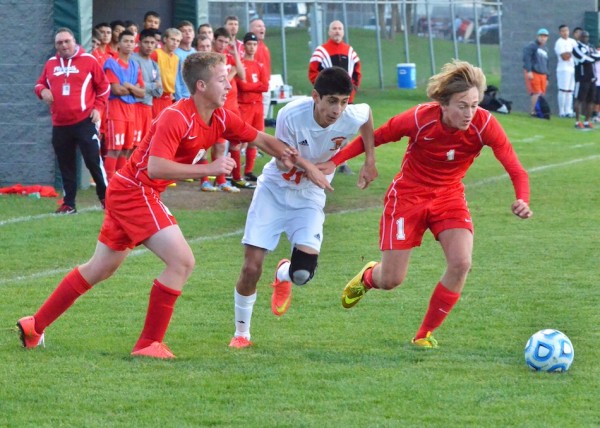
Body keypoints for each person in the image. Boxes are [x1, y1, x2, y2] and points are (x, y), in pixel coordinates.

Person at [17, 52, 330, 359]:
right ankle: (148, 343)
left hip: (134, 192)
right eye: (222, 80)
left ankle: (35, 325)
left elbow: (261, 138)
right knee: (182, 262)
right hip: (135, 191)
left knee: (99, 268)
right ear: (201, 87)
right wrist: (209, 169)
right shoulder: (176, 116)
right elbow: (156, 168)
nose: (228, 86)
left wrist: (297, 159)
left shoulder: (218, 116)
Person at [320, 60, 533, 349]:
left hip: (449, 196)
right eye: (462, 105)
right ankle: (370, 276)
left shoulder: (484, 125)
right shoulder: (420, 119)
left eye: (474, 104)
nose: (470, 113)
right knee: (392, 279)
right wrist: (334, 161)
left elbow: (516, 169)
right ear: (443, 103)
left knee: (461, 263)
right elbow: (377, 136)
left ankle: (424, 334)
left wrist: (522, 199)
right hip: (408, 197)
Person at [229, 66, 377, 348]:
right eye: (332, 101)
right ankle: (241, 335)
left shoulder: (351, 114)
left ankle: (283, 274)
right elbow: (284, 157)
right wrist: (310, 168)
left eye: (344, 101)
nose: (338, 109)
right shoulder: (290, 114)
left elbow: (367, 117)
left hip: (310, 195)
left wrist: (370, 160)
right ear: (315, 97)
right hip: (274, 190)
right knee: (251, 268)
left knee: (302, 274)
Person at [34, 28, 109, 214]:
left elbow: (104, 87)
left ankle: (106, 198)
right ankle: (69, 204)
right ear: (55, 45)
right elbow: (39, 83)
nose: (64, 45)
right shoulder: (51, 63)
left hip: (85, 121)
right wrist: (42, 91)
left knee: (93, 160)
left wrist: (98, 109)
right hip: (60, 124)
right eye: (59, 42)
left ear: (74, 41)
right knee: (65, 164)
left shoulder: (89, 60)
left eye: (67, 41)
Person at [309, 20, 362, 175]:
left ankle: (342, 163)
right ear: (329, 32)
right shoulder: (321, 51)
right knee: (326, 131)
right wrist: (323, 93)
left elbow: (357, 73)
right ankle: (321, 160)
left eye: (339, 28)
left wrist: (353, 91)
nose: (337, 31)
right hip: (328, 102)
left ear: (343, 32)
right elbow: (313, 73)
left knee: (345, 131)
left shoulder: (350, 51)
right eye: (334, 28)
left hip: (347, 101)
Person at [103, 30, 146, 181]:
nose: (129, 44)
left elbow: (142, 93)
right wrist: (133, 88)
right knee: (114, 148)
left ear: (135, 45)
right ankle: (109, 181)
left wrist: (129, 87)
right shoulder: (112, 63)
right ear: (119, 44)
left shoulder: (135, 65)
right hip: (116, 109)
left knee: (127, 148)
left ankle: (120, 180)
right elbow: (116, 89)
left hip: (131, 111)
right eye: (125, 41)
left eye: (131, 41)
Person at [211, 27, 247, 192]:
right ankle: (219, 180)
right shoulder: (211, 58)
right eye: (220, 41)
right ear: (214, 40)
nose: (223, 44)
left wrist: (235, 54)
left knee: (236, 143)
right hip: (219, 107)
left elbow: (242, 74)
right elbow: (218, 81)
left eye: (226, 42)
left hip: (233, 106)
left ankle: (237, 177)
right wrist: (231, 73)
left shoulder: (229, 56)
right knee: (218, 145)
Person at [235, 32, 268, 186]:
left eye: (254, 45)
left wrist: (252, 87)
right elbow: (242, 86)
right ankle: (236, 173)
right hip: (244, 106)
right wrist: (256, 87)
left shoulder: (260, 65)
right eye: (249, 44)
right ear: (245, 46)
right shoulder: (241, 64)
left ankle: (248, 171)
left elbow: (266, 86)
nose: (252, 47)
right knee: (240, 140)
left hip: (258, 107)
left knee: (255, 139)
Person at [132, 29, 163, 147]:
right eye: (146, 42)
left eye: (152, 43)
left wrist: (146, 86)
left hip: (148, 107)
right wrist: (153, 85)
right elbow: (134, 85)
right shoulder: (133, 60)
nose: (149, 46)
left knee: (143, 146)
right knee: (131, 145)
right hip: (135, 105)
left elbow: (159, 91)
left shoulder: (154, 64)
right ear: (139, 43)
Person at [150, 28, 181, 117]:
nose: (175, 43)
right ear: (165, 39)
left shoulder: (176, 58)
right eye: (172, 39)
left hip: (168, 99)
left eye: (178, 41)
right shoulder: (155, 54)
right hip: (156, 97)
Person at [572, 30, 600, 128]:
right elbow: (583, 59)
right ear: (579, 37)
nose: (585, 39)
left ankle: (587, 121)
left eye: (587, 37)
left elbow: (598, 55)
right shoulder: (576, 48)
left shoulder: (591, 46)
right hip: (582, 78)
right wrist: (592, 58)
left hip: (592, 78)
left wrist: (591, 57)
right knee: (579, 99)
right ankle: (577, 121)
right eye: (583, 37)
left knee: (590, 100)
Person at [249, 18, 272, 133]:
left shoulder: (264, 47)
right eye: (258, 26)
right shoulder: (249, 49)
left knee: (260, 123)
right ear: (251, 30)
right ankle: (245, 149)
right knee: (250, 123)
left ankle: (255, 149)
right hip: (255, 90)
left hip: (265, 87)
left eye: (263, 26)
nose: (262, 28)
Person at [522, 28, 550, 117]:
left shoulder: (545, 49)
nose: (543, 38)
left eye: (545, 36)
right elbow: (527, 59)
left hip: (543, 73)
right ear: (537, 36)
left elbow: (547, 63)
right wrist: (529, 71)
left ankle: (539, 110)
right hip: (534, 72)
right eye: (541, 36)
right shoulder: (532, 46)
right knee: (536, 92)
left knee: (541, 93)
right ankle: (533, 111)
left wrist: (548, 77)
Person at [554, 25, 577, 118]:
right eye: (563, 31)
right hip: (563, 69)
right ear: (560, 33)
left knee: (570, 91)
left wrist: (570, 52)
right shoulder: (559, 43)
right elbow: (565, 57)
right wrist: (573, 52)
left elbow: (577, 53)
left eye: (566, 30)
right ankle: (562, 111)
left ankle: (568, 110)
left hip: (572, 68)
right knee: (563, 90)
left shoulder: (572, 41)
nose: (565, 32)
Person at [174, 20, 196, 101]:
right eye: (184, 31)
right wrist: (179, 99)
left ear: (194, 34)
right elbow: (176, 80)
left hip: (195, 97)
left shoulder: (195, 52)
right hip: (182, 97)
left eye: (190, 30)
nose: (187, 33)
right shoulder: (175, 54)